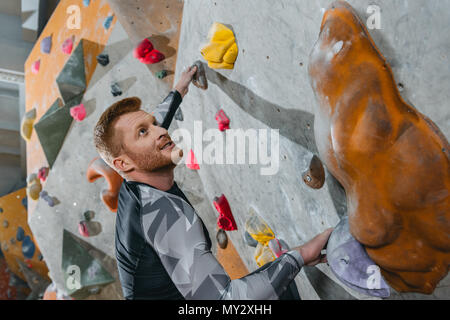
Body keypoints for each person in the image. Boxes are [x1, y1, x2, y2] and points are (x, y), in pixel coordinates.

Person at [93, 65, 333, 300]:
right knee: (282, 275)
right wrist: (301, 254)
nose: (160, 132)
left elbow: (155, 126)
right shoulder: (162, 215)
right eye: (143, 132)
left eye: (153, 124)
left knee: (280, 279)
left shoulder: (137, 171)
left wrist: (178, 90)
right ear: (122, 164)